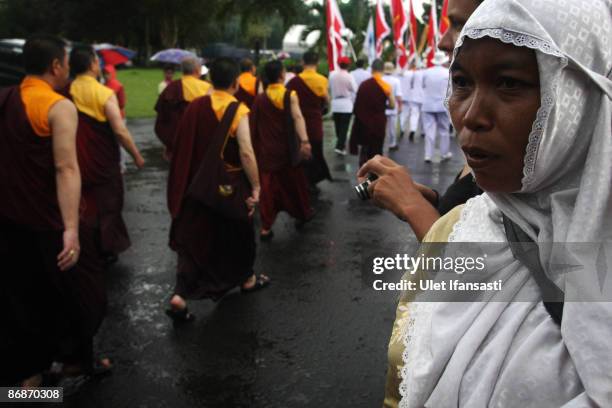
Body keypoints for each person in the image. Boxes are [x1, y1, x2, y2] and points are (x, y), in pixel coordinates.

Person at [383, 0, 612, 406]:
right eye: (461, 82)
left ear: (580, 98)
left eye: (509, 83)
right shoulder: (457, 225)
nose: (471, 116)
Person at [0, 35, 106, 387]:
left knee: (22, 296)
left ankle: (27, 381)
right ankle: (74, 364)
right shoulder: (57, 106)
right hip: (48, 219)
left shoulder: (6, 99)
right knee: (82, 293)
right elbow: (66, 168)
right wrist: (71, 229)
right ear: (56, 66)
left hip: (11, 218)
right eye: (64, 63)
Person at [358, 0, 484, 243]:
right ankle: (441, 152)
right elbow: (468, 213)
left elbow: (471, 268)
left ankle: (429, 153)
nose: (443, 42)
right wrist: (430, 200)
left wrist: (412, 205)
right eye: (461, 83)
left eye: (508, 84)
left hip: (422, 105)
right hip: (431, 105)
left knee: (428, 131)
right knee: (441, 134)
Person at [166, 57, 268, 322]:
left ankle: (180, 295)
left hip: (198, 185)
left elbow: (182, 146)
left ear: (209, 80)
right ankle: (247, 278)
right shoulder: (237, 110)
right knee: (240, 233)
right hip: (229, 186)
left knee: (197, 239)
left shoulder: (195, 106)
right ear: (235, 82)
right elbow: (246, 152)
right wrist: (256, 186)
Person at [68, 45, 145, 265]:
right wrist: (136, 155)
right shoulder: (103, 93)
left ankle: (86, 243)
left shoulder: (67, 90)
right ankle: (106, 247)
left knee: (83, 202)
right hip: (102, 162)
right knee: (109, 204)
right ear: (93, 65)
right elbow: (120, 131)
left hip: (76, 158)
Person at [250, 60, 314, 240]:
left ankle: (265, 227)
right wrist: (305, 141)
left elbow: (254, 126)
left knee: (268, 191)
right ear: (281, 75)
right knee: (294, 186)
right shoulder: (289, 95)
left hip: (268, 152)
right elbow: (298, 118)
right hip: (287, 151)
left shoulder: (260, 98)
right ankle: (301, 214)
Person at [286, 51, 332, 187]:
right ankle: (313, 180)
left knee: (299, 150)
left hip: (297, 122)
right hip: (315, 121)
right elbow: (326, 100)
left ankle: (301, 180)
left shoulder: (293, 81)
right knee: (316, 150)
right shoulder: (322, 80)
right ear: (317, 63)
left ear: (302, 62)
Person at [154, 57, 212, 159]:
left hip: (177, 141)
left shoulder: (171, 88)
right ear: (197, 70)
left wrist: (168, 144)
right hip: (201, 141)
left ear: (182, 70)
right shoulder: (207, 88)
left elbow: (162, 117)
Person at [349, 59, 395, 166]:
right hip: (378, 122)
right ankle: (375, 174)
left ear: (372, 69)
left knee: (365, 148)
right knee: (376, 149)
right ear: (383, 70)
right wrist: (383, 106)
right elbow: (392, 105)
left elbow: (357, 105)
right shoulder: (386, 86)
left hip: (364, 122)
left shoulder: (363, 85)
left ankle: (363, 171)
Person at [421, 51, 451, 163]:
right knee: (444, 130)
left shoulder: (426, 72)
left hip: (427, 104)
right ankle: (444, 153)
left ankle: (428, 155)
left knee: (429, 131)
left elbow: (423, 86)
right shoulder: (447, 72)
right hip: (442, 105)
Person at [328, 56, 357, 155]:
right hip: (346, 104)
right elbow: (355, 89)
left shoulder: (332, 75)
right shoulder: (349, 76)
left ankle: (341, 145)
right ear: (348, 65)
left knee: (338, 126)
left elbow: (329, 87)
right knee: (344, 127)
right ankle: (340, 146)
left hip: (335, 103)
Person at [399, 60, 422, 142]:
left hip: (405, 96)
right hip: (416, 98)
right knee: (414, 114)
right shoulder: (420, 74)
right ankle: (412, 130)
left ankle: (402, 128)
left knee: (404, 114)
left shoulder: (405, 73)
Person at [382, 61, 403, 151]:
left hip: (382, 106)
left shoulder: (381, 79)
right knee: (392, 127)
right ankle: (392, 143)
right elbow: (398, 95)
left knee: (381, 127)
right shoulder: (396, 80)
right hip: (392, 106)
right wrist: (400, 106)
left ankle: (381, 143)